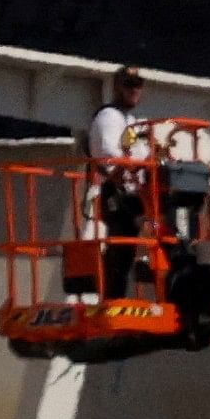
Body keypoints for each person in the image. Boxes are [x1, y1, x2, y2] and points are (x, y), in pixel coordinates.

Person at [83, 66, 149, 297]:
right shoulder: (109, 117)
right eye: (129, 84)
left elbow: (141, 153)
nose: (134, 90)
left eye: (138, 85)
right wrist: (134, 164)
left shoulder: (129, 120)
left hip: (132, 193)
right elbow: (112, 159)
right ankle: (113, 297)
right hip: (116, 194)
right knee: (120, 250)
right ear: (117, 86)